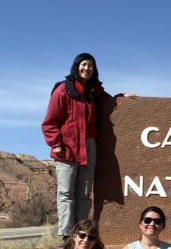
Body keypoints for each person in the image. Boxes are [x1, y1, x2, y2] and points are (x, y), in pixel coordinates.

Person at [41, 53, 136, 239]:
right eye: (84, 65)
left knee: (84, 194)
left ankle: (80, 233)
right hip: (67, 147)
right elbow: (49, 122)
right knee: (66, 193)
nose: (87, 68)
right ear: (76, 66)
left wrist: (122, 97)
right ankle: (66, 235)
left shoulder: (94, 91)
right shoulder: (63, 90)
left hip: (89, 147)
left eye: (90, 65)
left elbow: (109, 104)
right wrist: (56, 144)